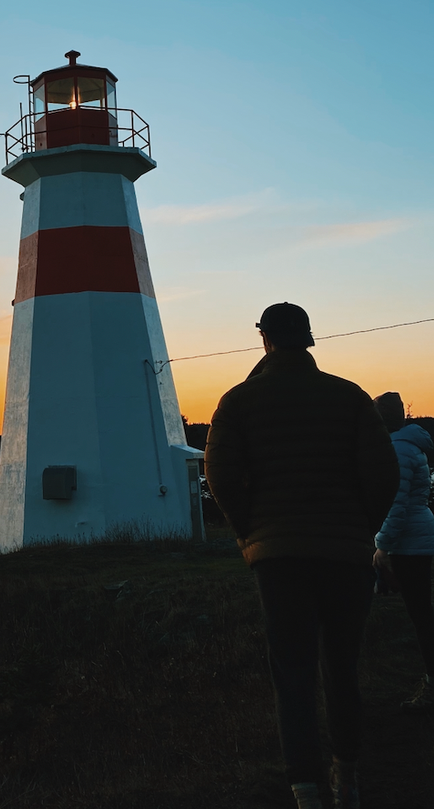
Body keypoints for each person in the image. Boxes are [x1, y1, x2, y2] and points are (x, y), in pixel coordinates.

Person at [204, 303, 398, 809]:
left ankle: (305, 789)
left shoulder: (238, 400)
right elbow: (384, 473)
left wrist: (250, 533)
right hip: (347, 555)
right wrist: (361, 530)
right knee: (342, 666)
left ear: (264, 339)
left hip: (278, 557)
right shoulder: (350, 396)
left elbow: (219, 475)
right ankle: (347, 776)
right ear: (308, 339)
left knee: (292, 672)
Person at [372, 391, 434, 713]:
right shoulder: (412, 445)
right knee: (422, 612)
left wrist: (382, 545)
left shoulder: (396, 449)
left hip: (410, 542)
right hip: (417, 538)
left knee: (422, 616)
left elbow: (396, 506)